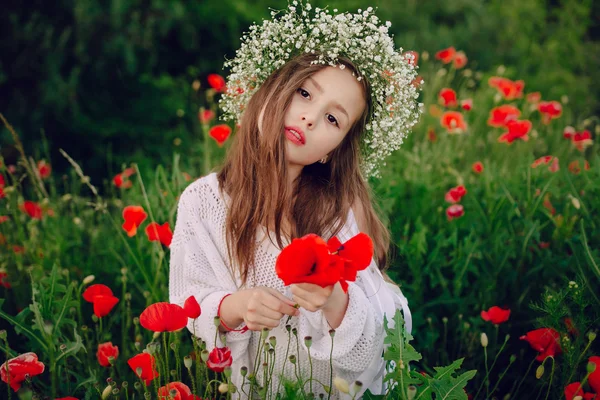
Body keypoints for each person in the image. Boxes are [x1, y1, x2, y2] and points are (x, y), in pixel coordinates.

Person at [169, 2, 422, 398]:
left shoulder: (336, 213)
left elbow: (386, 322)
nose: (309, 118)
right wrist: (236, 306)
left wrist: (336, 301)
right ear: (272, 89)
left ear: (331, 151)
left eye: (333, 119)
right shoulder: (203, 201)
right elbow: (190, 298)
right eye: (305, 93)